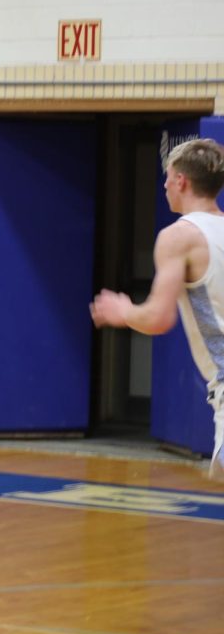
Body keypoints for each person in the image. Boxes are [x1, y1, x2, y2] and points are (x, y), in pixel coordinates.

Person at [92, 137, 224, 473]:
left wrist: (122, 311)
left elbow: (158, 318)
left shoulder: (179, 237)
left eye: (167, 175)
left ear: (181, 180)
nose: (164, 184)